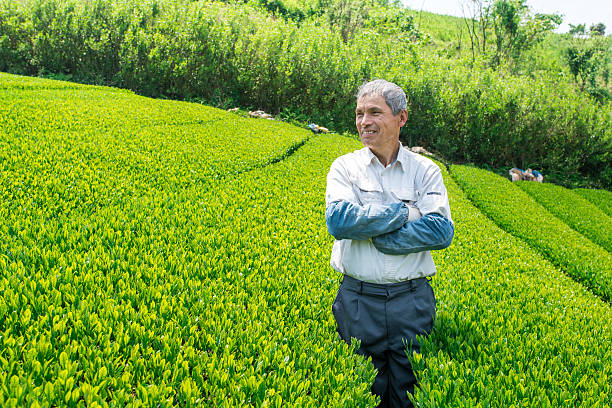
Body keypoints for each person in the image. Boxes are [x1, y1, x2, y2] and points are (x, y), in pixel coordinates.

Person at [325, 79, 454, 407]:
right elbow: (339, 221)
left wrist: (382, 238)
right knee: (360, 390)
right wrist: (404, 211)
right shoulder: (345, 168)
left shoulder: (426, 171)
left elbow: (440, 230)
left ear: (401, 118)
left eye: (374, 112)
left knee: (409, 393)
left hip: (410, 301)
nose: (364, 121)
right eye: (359, 114)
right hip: (357, 300)